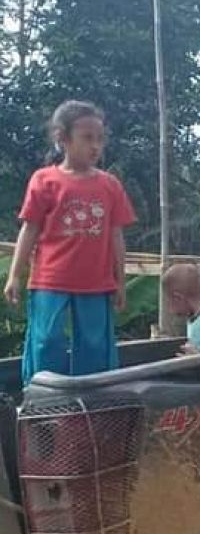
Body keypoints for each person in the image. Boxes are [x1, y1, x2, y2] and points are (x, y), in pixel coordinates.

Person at [4, 100, 135, 385]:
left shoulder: (109, 185)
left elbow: (116, 236)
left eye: (100, 139)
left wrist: (120, 281)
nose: (95, 146)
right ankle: (42, 400)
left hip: (96, 282)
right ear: (62, 138)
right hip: (50, 280)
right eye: (87, 138)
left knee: (94, 345)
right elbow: (29, 229)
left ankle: (92, 405)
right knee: (45, 340)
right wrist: (14, 275)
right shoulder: (44, 180)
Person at [162, 263, 200, 353]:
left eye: (168, 300)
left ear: (178, 297)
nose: (170, 310)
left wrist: (199, 356)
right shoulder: (193, 316)